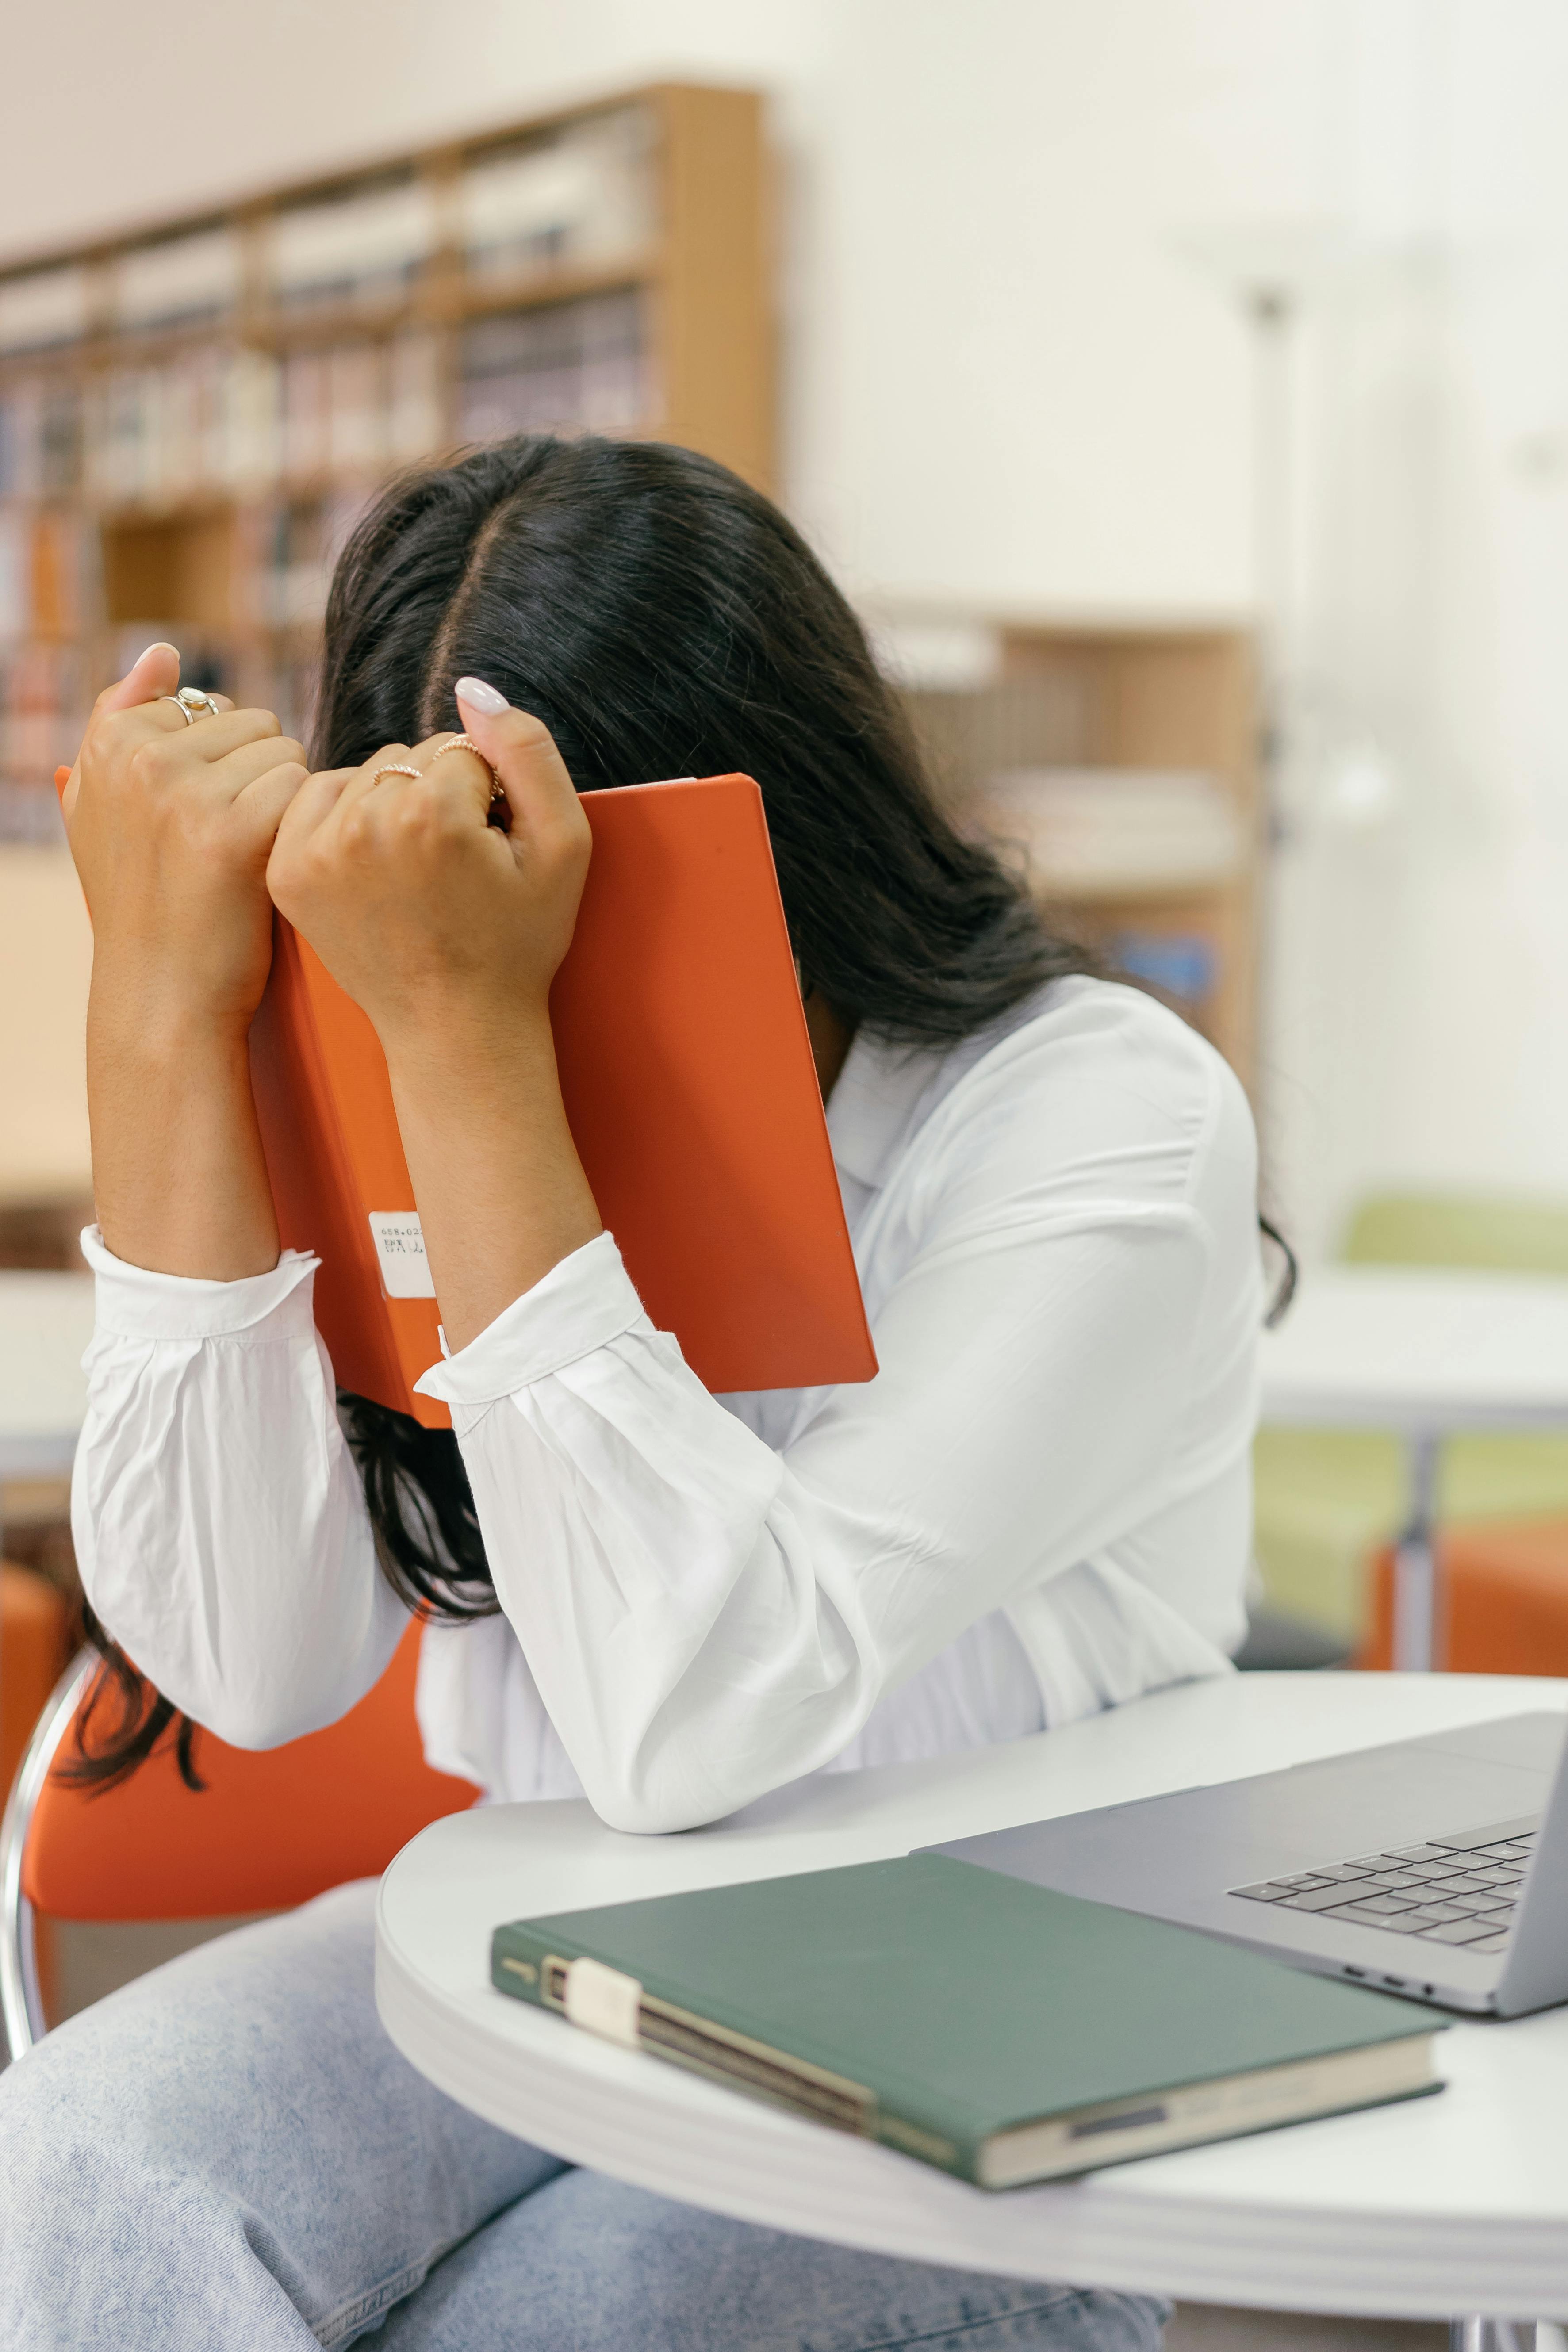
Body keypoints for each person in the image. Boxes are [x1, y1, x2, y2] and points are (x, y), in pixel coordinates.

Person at [0, 435, 1263, 2350]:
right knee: (81, 2168)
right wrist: (168, 1016)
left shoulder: (1098, 1108)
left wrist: (466, 1038)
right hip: (556, 1950)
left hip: (988, 2022)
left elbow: (697, 1716)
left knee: (535, 2328)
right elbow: (252, 1664)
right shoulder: (413, 1050)